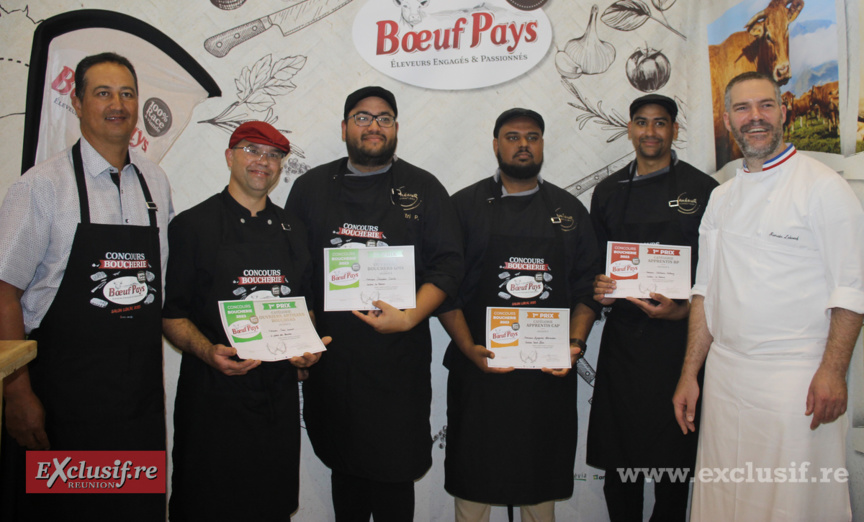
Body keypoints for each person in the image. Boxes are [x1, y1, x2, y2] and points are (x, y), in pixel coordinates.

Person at [672, 71, 864, 521]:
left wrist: (833, 372)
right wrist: (689, 374)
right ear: (726, 120)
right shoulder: (721, 197)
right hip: (725, 378)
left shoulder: (823, 187)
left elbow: (852, 291)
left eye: (765, 106)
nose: (754, 118)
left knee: (792, 505)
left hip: (795, 382)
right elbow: (704, 292)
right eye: (742, 108)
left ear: (784, 111)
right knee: (723, 502)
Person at [0, 52, 173, 520]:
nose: (117, 103)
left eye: (127, 93)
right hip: (60, 402)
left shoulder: (155, 182)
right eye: (102, 93)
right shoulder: (41, 187)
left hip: (136, 403)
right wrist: (16, 395)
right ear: (76, 103)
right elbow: (3, 292)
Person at [285, 86, 462, 521]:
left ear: (396, 128)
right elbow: (295, 272)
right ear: (345, 127)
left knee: (394, 476)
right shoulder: (310, 188)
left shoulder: (424, 188)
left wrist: (410, 318)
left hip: (397, 366)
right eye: (362, 117)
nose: (373, 126)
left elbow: (449, 265)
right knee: (345, 470)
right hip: (334, 362)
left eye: (384, 118)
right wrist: (300, 339)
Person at [439, 108, 600, 521]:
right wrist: (468, 348)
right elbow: (443, 290)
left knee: (538, 487)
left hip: (546, 381)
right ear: (496, 145)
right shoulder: (463, 207)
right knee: (473, 489)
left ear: (542, 144)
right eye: (512, 137)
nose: (523, 144)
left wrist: (575, 345)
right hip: (479, 373)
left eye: (533, 136)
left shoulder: (569, 211)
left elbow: (587, 289)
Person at [162, 121, 323, 521]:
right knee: (206, 505)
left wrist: (307, 351)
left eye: (273, 156)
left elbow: (306, 309)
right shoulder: (192, 226)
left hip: (276, 402)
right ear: (230, 156)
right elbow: (172, 316)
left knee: (271, 507)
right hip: (212, 399)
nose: (262, 162)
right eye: (252, 150)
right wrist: (207, 350)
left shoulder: (295, 230)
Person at [587, 94, 718, 521]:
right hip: (624, 344)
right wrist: (601, 290)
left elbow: (717, 277)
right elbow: (596, 268)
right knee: (619, 463)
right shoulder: (607, 193)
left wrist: (680, 312)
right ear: (629, 129)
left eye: (660, 123)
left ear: (675, 130)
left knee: (674, 463)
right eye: (641, 123)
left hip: (682, 343)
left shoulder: (704, 190)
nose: (650, 132)